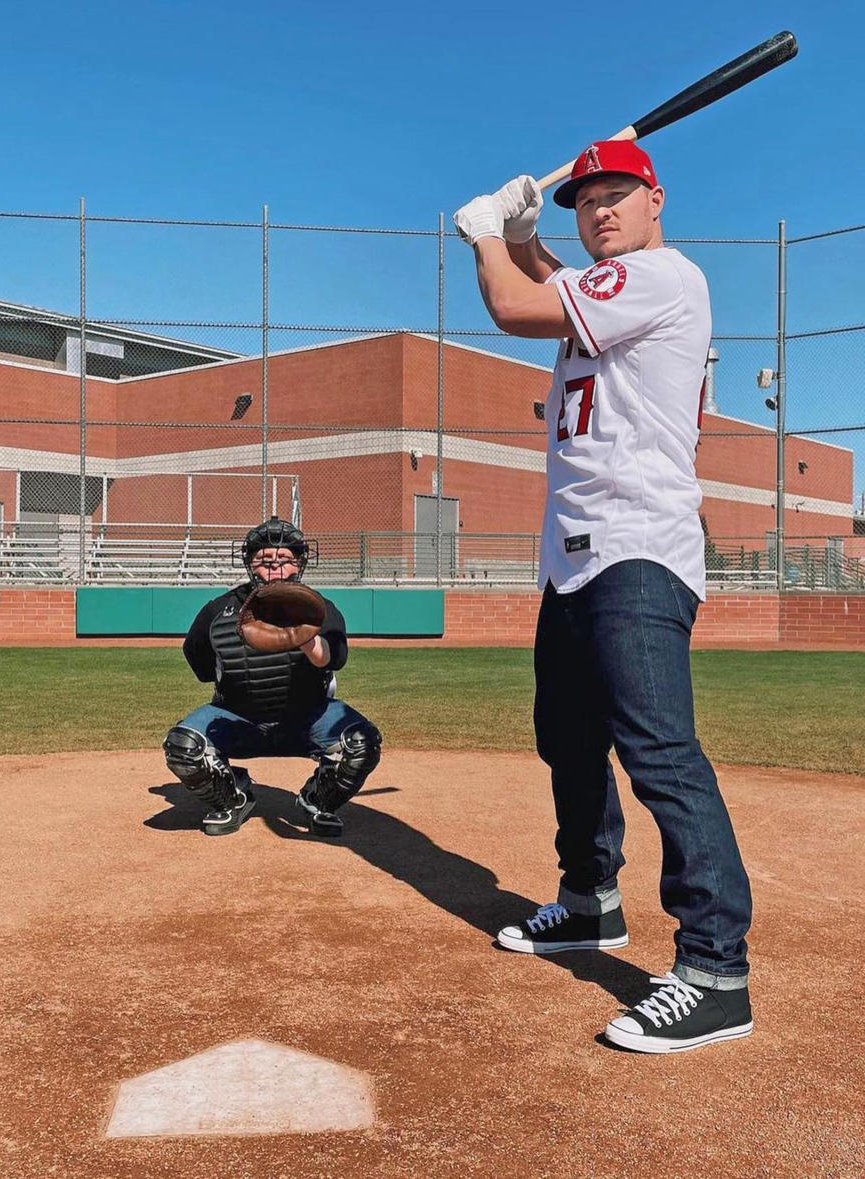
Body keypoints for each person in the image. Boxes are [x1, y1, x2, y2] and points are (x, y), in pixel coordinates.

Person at [453, 142, 753, 1054]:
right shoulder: (608, 287)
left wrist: (480, 238)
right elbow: (558, 288)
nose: (601, 211)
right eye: (587, 201)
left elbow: (515, 306)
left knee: (659, 752)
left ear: (657, 200)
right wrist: (524, 236)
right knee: (569, 738)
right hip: (571, 556)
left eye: (618, 195)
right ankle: (590, 899)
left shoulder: (665, 276)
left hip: (638, 548)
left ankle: (715, 970)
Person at [162, 516, 382, 838]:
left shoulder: (321, 609)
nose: (275, 567)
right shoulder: (218, 612)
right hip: (238, 718)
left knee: (362, 744)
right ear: (250, 565)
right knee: (183, 746)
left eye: (285, 560)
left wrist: (306, 638)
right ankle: (231, 797)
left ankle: (317, 800)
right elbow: (201, 665)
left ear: (300, 564)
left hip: (307, 717)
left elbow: (333, 659)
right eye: (264, 560)